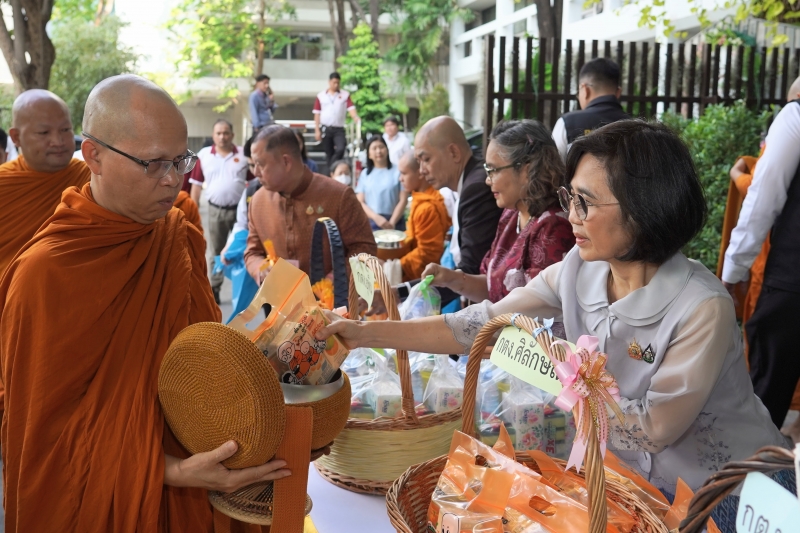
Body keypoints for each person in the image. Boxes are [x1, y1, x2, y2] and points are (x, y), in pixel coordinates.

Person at [318, 120, 790, 529]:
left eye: (585, 202)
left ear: (643, 208)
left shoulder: (700, 307)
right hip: (635, 489)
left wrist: (558, 368)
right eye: (570, 198)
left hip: (734, 498)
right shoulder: (578, 270)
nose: (571, 216)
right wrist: (364, 333)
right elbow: (478, 323)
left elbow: (650, 429)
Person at [0, 74, 292, 532]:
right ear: (93, 155)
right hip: (110, 501)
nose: (174, 180)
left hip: (203, 476)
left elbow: (202, 359)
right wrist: (172, 471)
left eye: (180, 160)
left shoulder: (177, 237)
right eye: (153, 164)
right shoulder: (45, 274)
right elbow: (44, 439)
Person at [422, 120, 575, 303]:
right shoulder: (511, 214)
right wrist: (452, 279)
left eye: (493, 170)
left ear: (526, 170)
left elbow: (537, 308)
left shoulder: (554, 226)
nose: (487, 180)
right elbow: (490, 287)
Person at [722, 86, 800, 432]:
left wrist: (733, 269)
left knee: (765, 400)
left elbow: (763, 197)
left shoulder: (795, 115)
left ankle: (754, 464)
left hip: (793, 278)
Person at [244, 125, 376, 285]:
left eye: (260, 164)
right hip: (278, 298)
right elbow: (252, 252)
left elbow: (364, 248)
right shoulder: (257, 201)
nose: (255, 172)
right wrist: (261, 269)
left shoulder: (339, 196)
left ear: (286, 162)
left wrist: (333, 281)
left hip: (333, 298)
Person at [0, 90, 91, 277]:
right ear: (16, 137)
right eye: (44, 132)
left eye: (65, 130)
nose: (58, 141)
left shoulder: (93, 177)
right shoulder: (4, 183)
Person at [414, 116, 503, 276]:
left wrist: (404, 288)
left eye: (426, 159)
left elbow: (470, 270)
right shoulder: (468, 180)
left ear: (454, 152)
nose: (422, 170)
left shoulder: (476, 189)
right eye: (418, 162)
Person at [188, 118, 254, 303]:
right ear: (213, 135)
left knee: (244, 248)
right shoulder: (204, 155)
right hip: (215, 211)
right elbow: (196, 185)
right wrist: (193, 212)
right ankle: (215, 288)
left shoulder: (243, 154)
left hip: (241, 212)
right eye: (218, 133)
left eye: (226, 133)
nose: (222, 136)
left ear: (232, 135)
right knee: (217, 251)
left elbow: (254, 182)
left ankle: (245, 289)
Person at [551, 57, 629, 162]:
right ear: (618, 92)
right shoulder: (635, 126)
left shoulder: (567, 123)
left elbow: (553, 165)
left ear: (585, 89)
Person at [397, 151, 450, 281]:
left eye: (404, 173)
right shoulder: (422, 197)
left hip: (423, 278)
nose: (400, 179)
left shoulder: (427, 208)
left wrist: (396, 266)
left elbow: (427, 253)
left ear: (420, 173)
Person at [356, 135, 407, 231]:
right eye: (374, 148)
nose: (378, 151)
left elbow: (403, 200)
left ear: (387, 150)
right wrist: (376, 218)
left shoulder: (399, 171)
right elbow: (360, 202)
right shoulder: (365, 174)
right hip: (372, 221)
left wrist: (392, 222)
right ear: (369, 154)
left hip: (395, 221)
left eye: (381, 147)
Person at [313, 72, 360, 169]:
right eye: (334, 82)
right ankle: (332, 172)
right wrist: (317, 130)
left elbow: (351, 108)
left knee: (341, 148)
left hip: (339, 129)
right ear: (329, 82)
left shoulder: (345, 95)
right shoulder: (321, 96)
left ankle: (332, 168)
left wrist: (355, 117)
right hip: (326, 128)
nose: (336, 85)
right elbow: (317, 113)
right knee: (329, 152)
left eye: (338, 83)